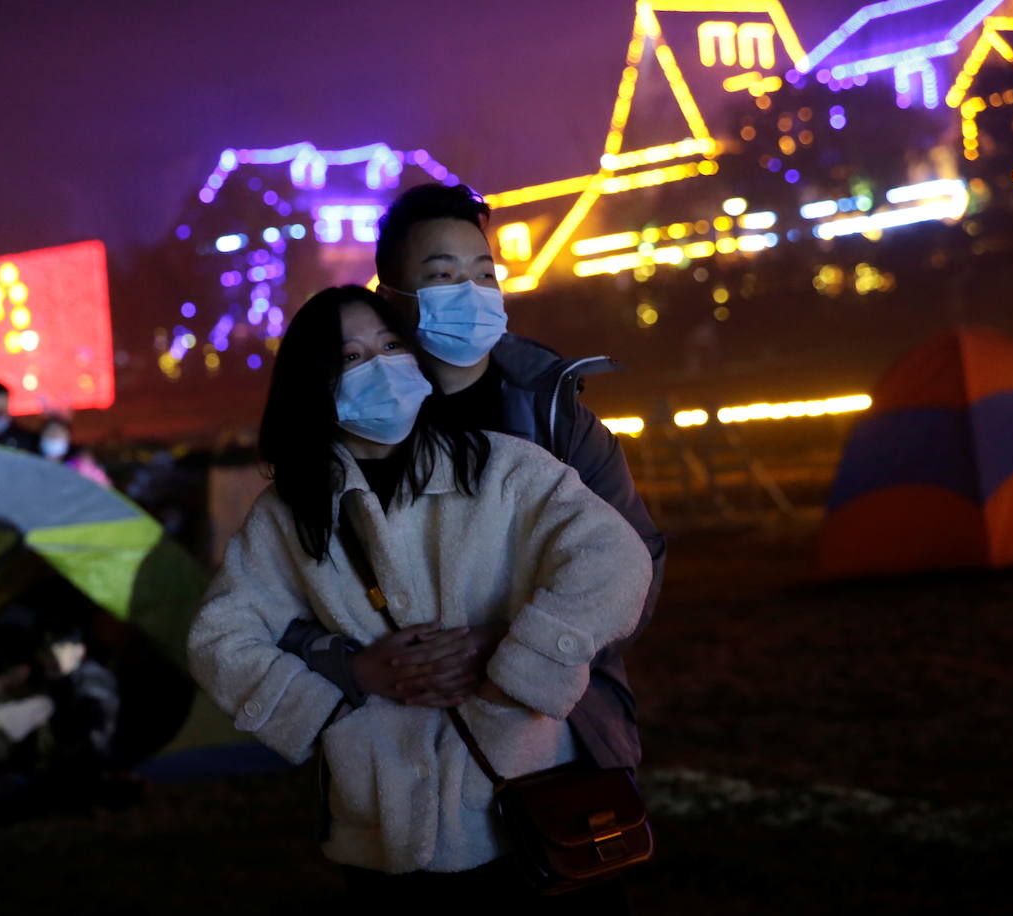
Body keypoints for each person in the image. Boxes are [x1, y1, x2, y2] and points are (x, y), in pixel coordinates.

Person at [188, 286, 651, 907]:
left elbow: (613, 559)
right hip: (386, 833)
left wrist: (516, 663)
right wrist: (351, 677)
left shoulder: (502, 467)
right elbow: (222, 638)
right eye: (351, 358)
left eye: (390, 345)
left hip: (527, 804)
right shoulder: (289, 514)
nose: (379, 365)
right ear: (314, 384)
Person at [280, 183, 665, 778]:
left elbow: (636, 565)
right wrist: (362, 668)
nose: (472, 292)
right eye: (443, 275)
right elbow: (282, 604)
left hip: (559, 745)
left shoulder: (555, 420)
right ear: (393, 297)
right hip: (396, 772)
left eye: (484, 273)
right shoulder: (353, 429)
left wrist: (517, 646)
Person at [38, 415, 111, 487]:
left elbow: (104, 489)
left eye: (58, 434)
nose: (54, 437)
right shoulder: (34, 467)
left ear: (68, 438)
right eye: (50, 434)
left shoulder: (82, 467)